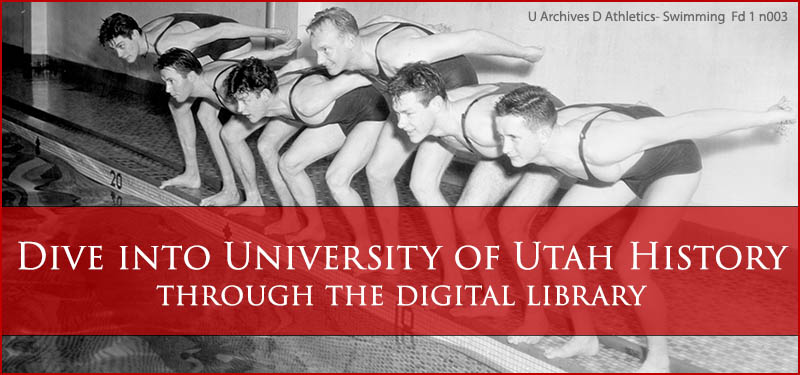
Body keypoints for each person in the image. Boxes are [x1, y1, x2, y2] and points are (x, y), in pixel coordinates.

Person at [494, 85, 796, 372]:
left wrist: (766, 117)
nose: (504, 147)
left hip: (672, 166)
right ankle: (585, 339)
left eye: (513, 138)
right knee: (553, 241)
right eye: (501, 135)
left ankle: (658, 360)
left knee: (630, 264)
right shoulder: (538, 134)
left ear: (544, 133)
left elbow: (688, 124)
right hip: (622, 169)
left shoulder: (603, 143)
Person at [306, 7, 545, 269]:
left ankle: (453, 272)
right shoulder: (358, 41)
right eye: (318, 50)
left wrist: (524, 53)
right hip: (411, 97)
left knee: (422, 183)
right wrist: (426, 28)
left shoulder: (399, 53)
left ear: (349, 40)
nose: (320, 58)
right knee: (377, 172)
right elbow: (387, 18)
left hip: (448, 93)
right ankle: (393, 255)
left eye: (326, 50)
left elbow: (473, 38)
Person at [385, 62, 564, 292]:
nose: (400, 124)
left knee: (511, 224)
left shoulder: (482, 127)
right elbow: (422, 185)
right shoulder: (437, 121)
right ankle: (484, 293)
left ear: (436, 105)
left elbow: (545, 145)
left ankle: (537, 317)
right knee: (456, 209)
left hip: (541, 134)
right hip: (499, 133)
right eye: (398, 113)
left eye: (408, 114)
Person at [99, 12, 289, 205]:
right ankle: (193, 173)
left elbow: (221, 30)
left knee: (206, 115)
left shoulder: (166, 43)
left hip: (232, 42)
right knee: (178, 106)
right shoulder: (144, 35)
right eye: (115, 50)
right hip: (216, 48)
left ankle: (231, 189)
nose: (120, 55)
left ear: (134, 34)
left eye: (121, 46)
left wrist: (270, 32)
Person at [221, 57, 389, 249]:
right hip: (340, 114)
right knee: (289, 164)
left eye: (245, 101)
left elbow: (362, 76)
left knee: (336, 181)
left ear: (265, 95)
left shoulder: (306, 101)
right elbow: (298, 63)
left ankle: (365, 247)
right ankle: (315, 228)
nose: (240, 109)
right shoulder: (271, 87)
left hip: (368, 111)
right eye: (238, 101)